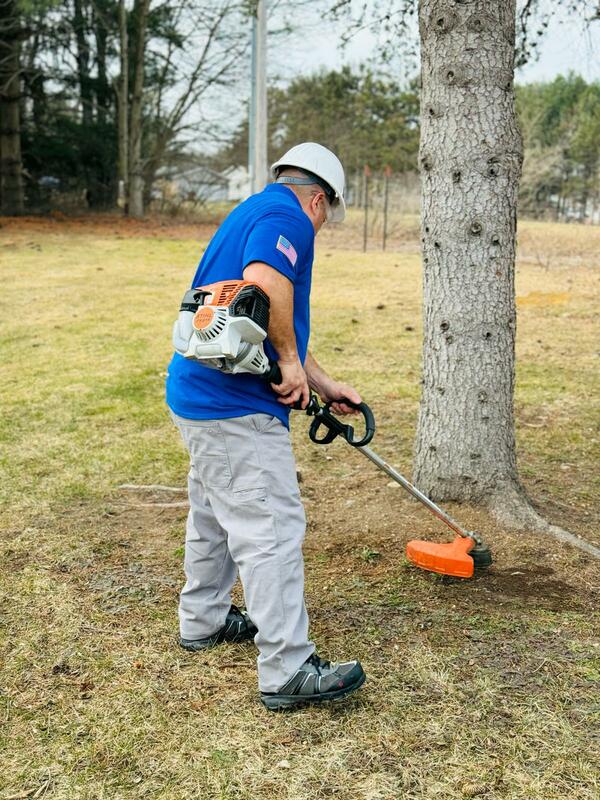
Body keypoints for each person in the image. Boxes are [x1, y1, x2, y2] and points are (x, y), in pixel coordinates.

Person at [165, 142, 366, 711]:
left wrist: (319, 380)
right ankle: (287, 668)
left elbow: (257, 315)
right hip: (233, 408)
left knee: (213, 514)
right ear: (320, 200)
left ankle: (203, 619)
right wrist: (291, 363)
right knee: (270, 527)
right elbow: (265, 284)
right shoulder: (289, 217)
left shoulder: (252, 208)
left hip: (197, 395)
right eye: (326, 216)